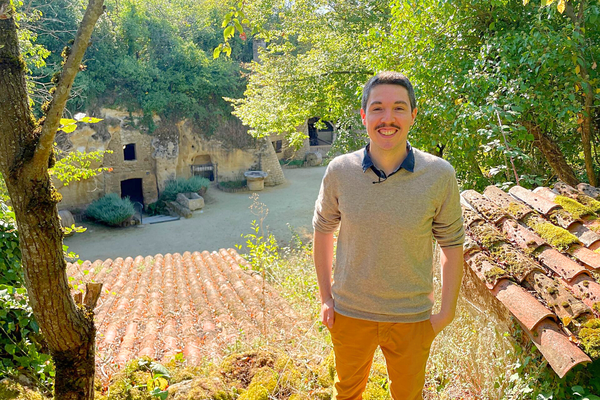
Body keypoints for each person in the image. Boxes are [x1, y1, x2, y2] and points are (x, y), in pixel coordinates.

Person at [312, 71, 465, 400]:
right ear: (365, 115)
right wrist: (326, 297)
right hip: (350, 313)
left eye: (398, 107)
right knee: (346, 394)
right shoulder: (340, 171)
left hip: (411, 317)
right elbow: (323, 230)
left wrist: (446, 312)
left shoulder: (440, 175)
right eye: (378, 108)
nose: (388, 118)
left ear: (413, 115)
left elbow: (452, 244)